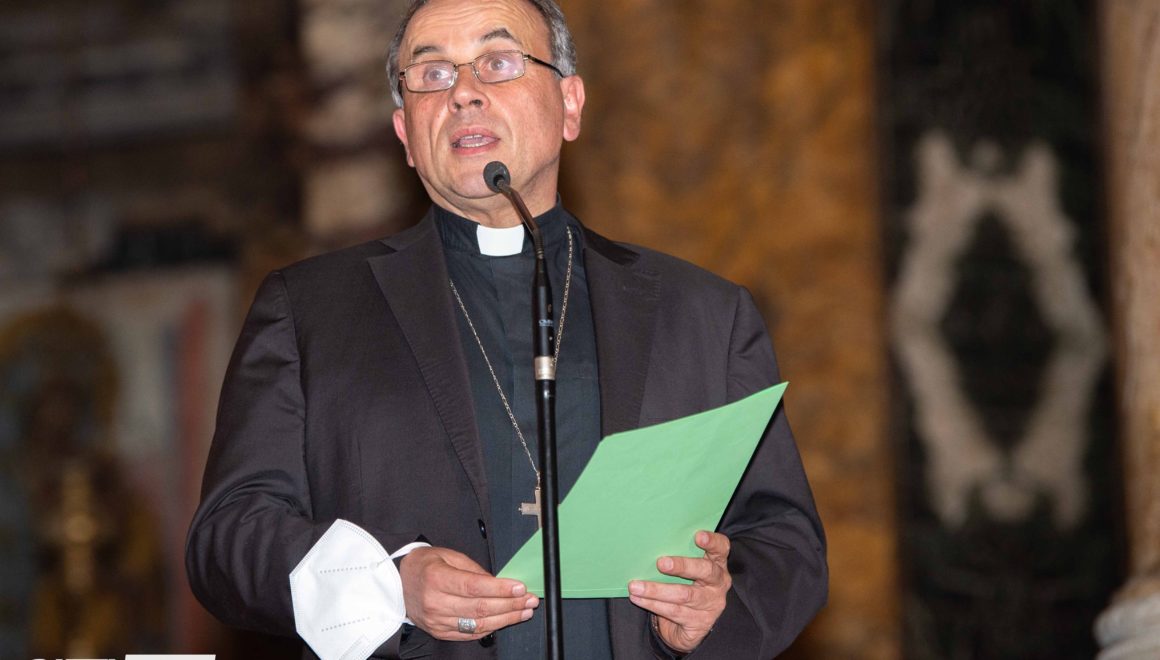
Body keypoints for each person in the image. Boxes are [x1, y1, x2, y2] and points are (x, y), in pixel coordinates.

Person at [185, 0, 827, 658]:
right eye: (432, 74)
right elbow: (226, 539)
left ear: (570, 104)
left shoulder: (700, 313)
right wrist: (387, 583)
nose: (464, 93)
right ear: (405, 132)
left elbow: (786, 543)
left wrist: (714, 611)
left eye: (498, 62)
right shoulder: (312, 310)